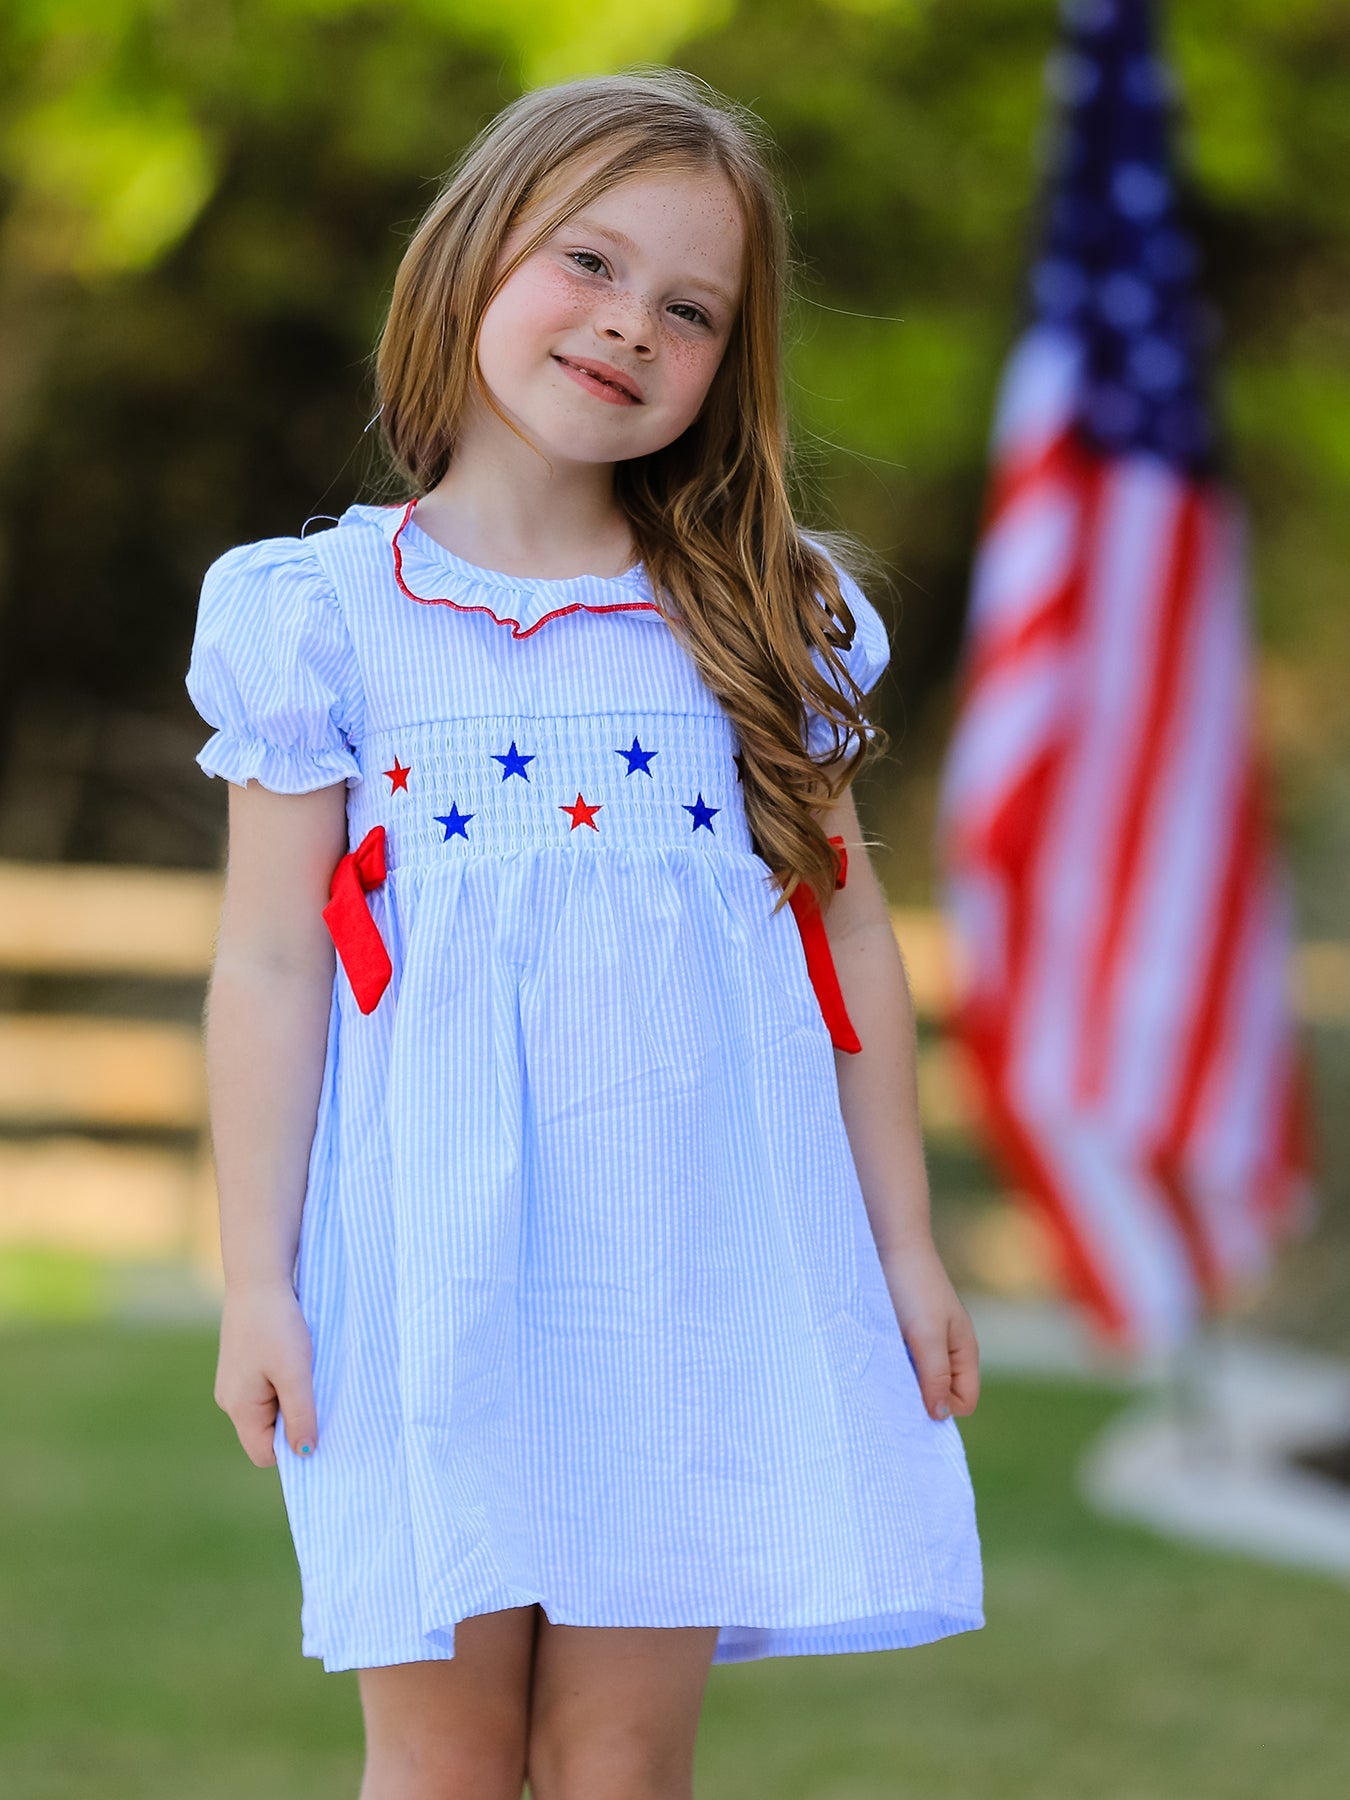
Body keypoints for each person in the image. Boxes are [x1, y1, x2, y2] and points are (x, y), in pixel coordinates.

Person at [185, 66, 983, 1800]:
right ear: (475, 255)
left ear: (727, 364)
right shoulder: (316, 618)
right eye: (590, 263)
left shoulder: (769, 619)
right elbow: (267, 965)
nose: (630, 326)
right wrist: (258, 1276)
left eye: (688, 309)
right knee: (446, 1762)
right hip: (417, 1272)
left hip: (680, 1270)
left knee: (618, 1763)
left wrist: (901, 1243)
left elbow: (846, 953)